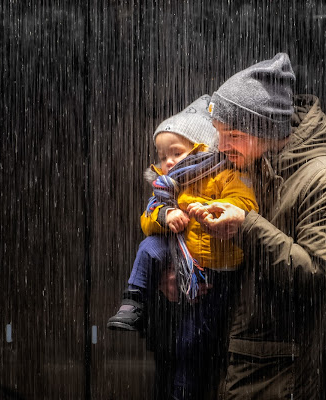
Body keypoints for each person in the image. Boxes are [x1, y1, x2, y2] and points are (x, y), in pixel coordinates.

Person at [186, 53, 326, 399]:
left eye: (233, 135)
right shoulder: (256, 162)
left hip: (274, 374)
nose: (222, 146)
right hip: (235, 354)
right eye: (220, 134)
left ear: (267, 128)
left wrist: (247, 227)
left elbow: (322, 277)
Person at [107, 95, 258, 399]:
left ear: (202, 150)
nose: (168, 162)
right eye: (162, 156)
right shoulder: (167, 186)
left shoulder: (224, 176)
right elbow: (147, 219)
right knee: (150, 246)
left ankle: (184, 391)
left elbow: (243, 205)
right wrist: (165, 214)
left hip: (212, 271)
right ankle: (133, 300)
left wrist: (206, 208)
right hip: (177, 264)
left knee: (192, 345)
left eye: (176, 152)